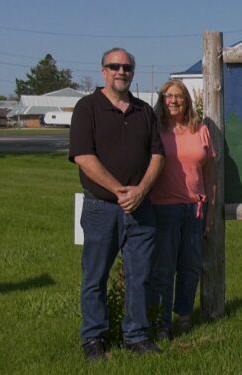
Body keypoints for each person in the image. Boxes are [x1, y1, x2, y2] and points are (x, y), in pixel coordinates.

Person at [69, 48, 164, 360]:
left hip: (142, 207)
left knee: (140, 276)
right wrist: (120, 190)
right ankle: (94, 339)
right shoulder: (88, 108)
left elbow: (157, 155)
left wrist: (140, 190)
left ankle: (136, 335)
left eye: (126, 67)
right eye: (114, 66)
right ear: (103, 71)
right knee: (95, 275)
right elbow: (83, 156)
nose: (121, 71)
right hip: (101, 209)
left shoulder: (143, 111)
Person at [148, 79, 216, 340]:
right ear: (161, 100)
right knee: (163, 269)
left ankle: (184, 315)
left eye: (179, 96)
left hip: (194, 209)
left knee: (190, 265)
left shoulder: (199, 130)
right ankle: (162, 322)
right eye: (168, 96)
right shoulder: (154, 130)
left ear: (187, 100)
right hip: (162, 209)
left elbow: (210, 173)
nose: (173, 100)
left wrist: (210, 210)